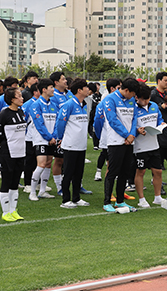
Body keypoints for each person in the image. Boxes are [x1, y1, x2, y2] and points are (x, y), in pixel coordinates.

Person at [96, 77, 139, 212]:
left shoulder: (131, 100)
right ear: (126, 90)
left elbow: (134, 118)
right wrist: (127, 135)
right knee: (113, 172)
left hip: (129, 141)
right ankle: (107, 202)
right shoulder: (109, 99)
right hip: (115, 141)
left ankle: (120, 201)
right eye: (133, 93)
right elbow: (112, 120)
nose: (134, 97)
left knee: (125, 172)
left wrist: (132, 135)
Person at [54, 78, 94, 210]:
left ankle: (76, 198)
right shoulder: (69, 104)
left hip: (81, 145)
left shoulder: (84, 104)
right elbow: (61, 122)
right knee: (69, 173)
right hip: (70, 145)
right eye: (86, 87)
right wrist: (60, 138)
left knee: (79, 173)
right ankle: (66, 199)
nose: (88, 90)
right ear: (79, 90)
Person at [0, 87, 29, 222]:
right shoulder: (4, 115)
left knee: (15, 182)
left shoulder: (20, 112)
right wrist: (2, 145)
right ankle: (5, 212)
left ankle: (14, 210)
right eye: (19, 96)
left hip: (20, 152)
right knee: (6, 182)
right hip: (8, 153)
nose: (22, 98)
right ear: (12, 99)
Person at [131, 84, 166, 208]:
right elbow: (130, 126)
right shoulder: (133, 108)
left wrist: (161, 124)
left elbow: (159, 119)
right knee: (140, 172)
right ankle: (141, 199)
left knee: (158, 171)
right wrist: (137, 130)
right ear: (137, 97)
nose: (145, 102)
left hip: (154, 145)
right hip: (140, 147)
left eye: (147, 99)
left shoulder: (154, 106)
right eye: (142, 99)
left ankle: (157, 197)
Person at [26, 79, 59, 201]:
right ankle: (32, 192)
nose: (53, 89)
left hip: (52, 139)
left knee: (48, 164)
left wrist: (54, 136)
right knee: (41, 164)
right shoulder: (35, 105)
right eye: (51, 87)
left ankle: (43, 191)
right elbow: (39, 124)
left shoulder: (53, 105)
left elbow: (57, 123)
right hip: (41, 139)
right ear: (44, 89)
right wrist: (49, 137)